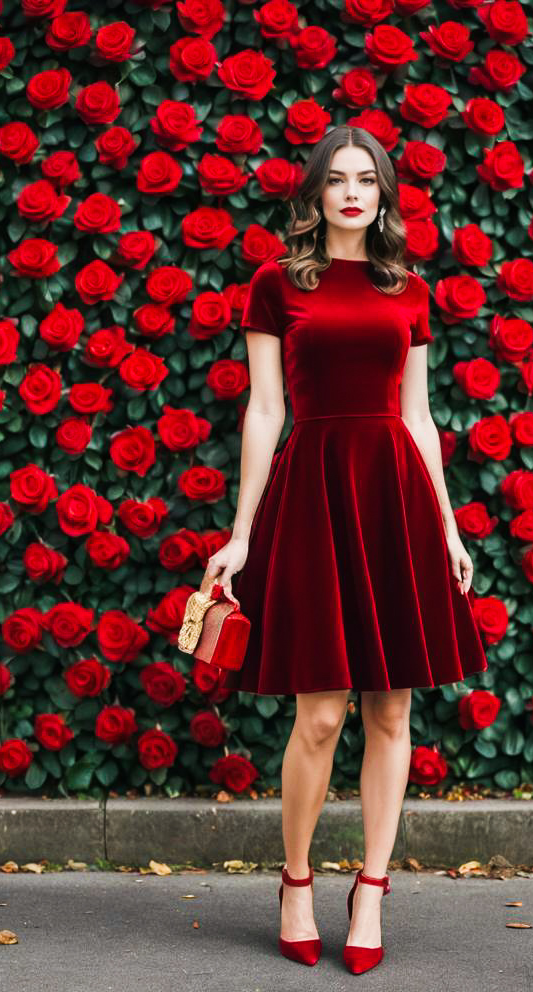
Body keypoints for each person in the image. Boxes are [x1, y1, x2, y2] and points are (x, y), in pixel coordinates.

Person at [202, 124, 489, 975]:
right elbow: (263, 412)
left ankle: (371, 888)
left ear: (385, 194)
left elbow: (419, 416)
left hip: (393, 496)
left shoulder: (409, 288)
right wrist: (243, 534)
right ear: (316, 194)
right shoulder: (276, 284)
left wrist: (447, 525)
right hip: (316, 492)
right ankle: (296, 883)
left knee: (391, 709)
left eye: (368, 179)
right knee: (320, 714)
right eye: (338, 180)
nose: (353, 192)